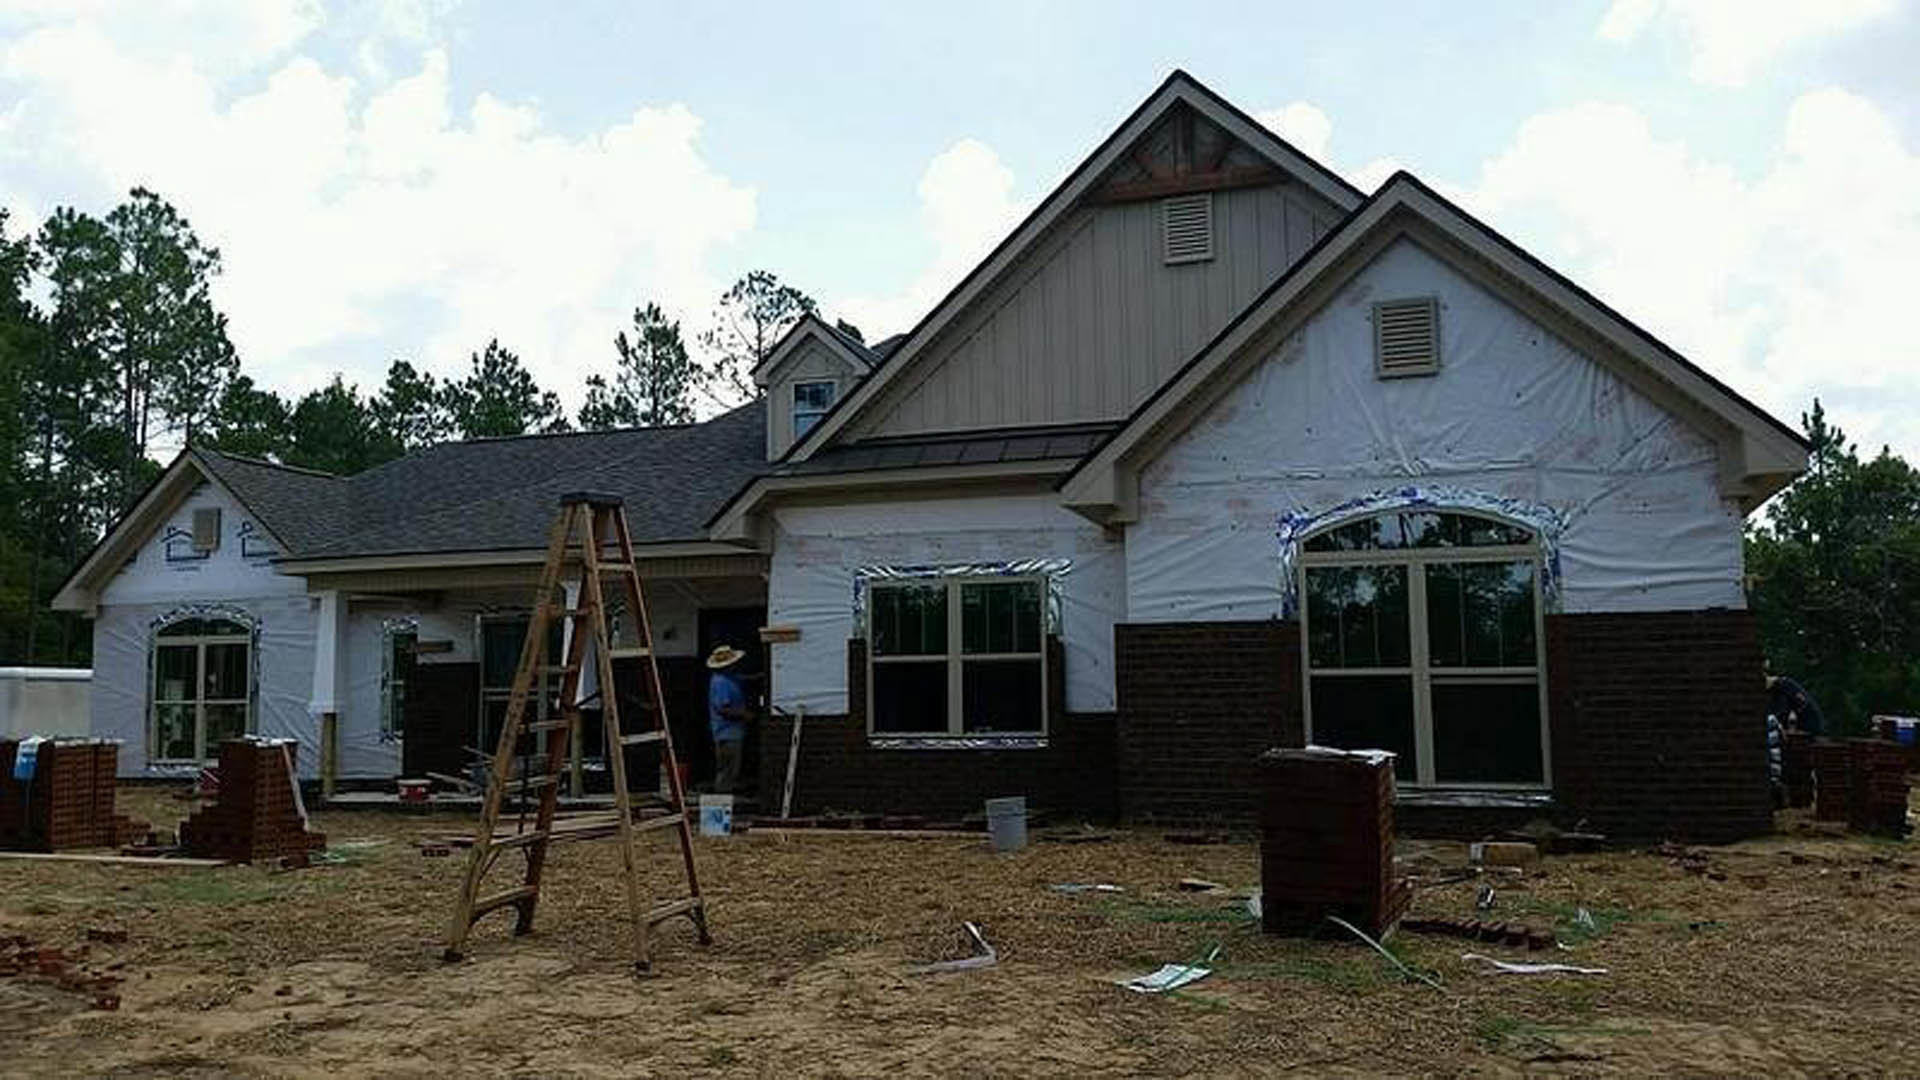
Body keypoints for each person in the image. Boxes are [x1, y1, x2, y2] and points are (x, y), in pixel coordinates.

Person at [705, 644, 752, 794]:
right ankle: (721, 800)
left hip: (729, 732)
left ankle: (724, 799)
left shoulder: (727, 679)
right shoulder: (721, 682)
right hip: (727, 733)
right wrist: (744, 715)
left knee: (729, 769)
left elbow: (745, 678)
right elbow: (722, 709)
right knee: (728, 770)